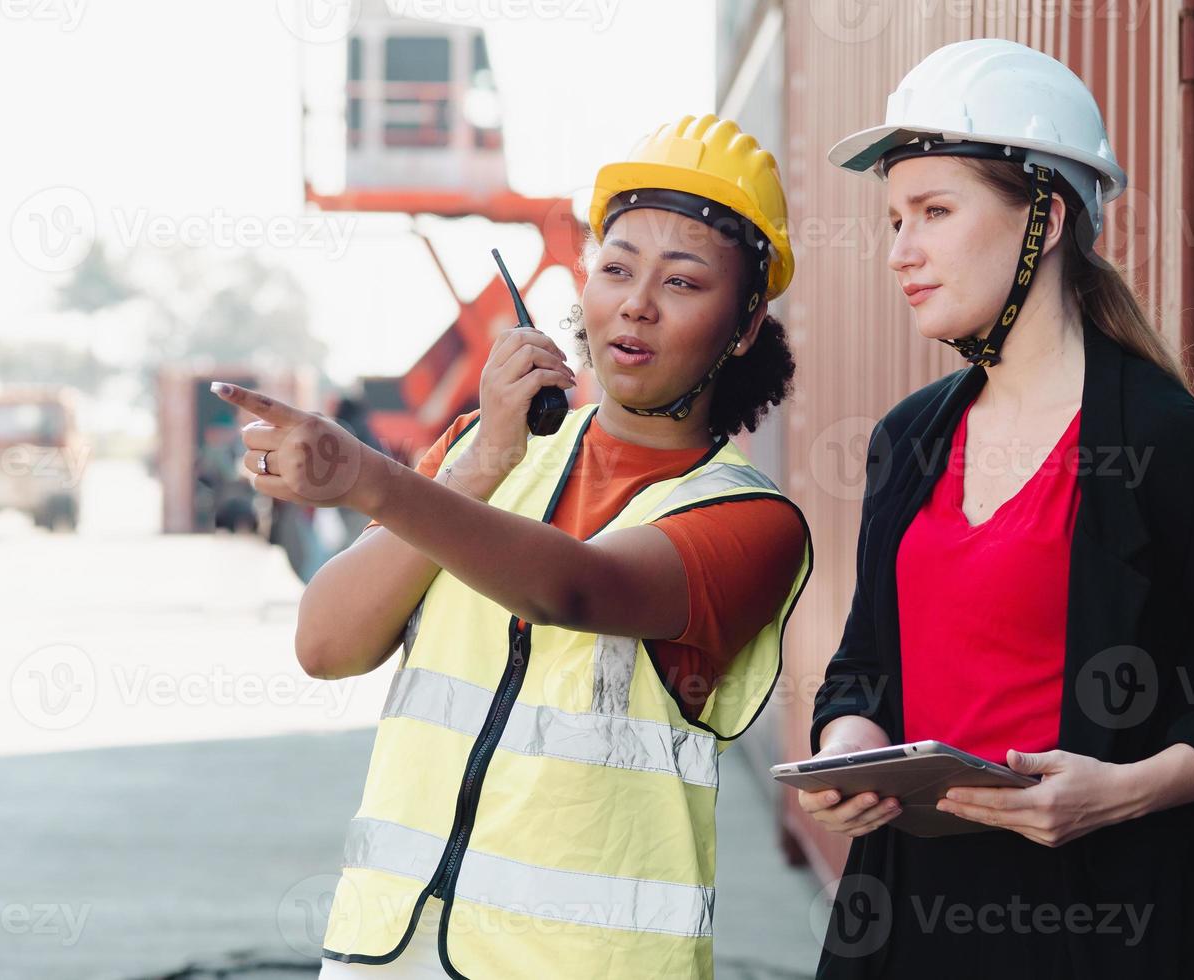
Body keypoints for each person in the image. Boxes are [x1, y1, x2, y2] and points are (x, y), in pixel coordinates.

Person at [212, 114, 812, 978]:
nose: (636, 302)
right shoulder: (478, 458)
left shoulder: (751, 522)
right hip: (393, 955)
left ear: (747, 324)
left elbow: (570, 591)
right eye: (615, 269)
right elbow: (326, 644)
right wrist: (485, 455)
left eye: (682, 283)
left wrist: (367, 478)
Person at [802, 39, 1194, 978]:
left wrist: (1126, 793)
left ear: (1047, 218)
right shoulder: (908, 442)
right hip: (903, 923)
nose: (900, 251)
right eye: (895, 218)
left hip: (1101, 929)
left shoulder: (1168, 445)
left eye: (934, 212)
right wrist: (848, 747)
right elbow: (864, 661)